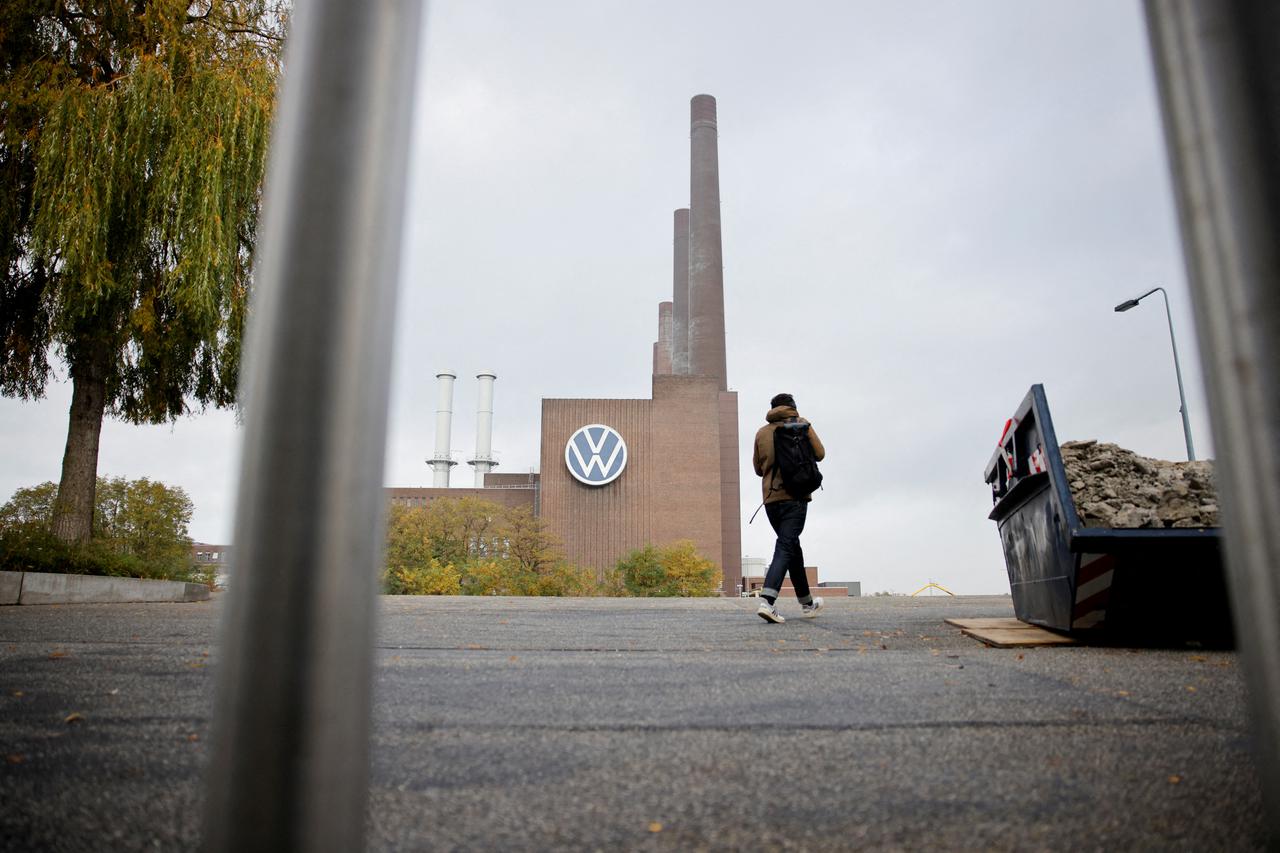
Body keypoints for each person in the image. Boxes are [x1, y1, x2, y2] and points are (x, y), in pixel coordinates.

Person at [752, 392, 825, 623]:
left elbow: (758, 469)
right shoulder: (802, 425)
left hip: (771, 500)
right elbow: (820, 454)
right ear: (792, 407)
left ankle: (807, 604)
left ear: (772, 409)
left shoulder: (762, 433)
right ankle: (767, 602)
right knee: (786, 545)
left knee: (793, 547)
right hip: (796, 498)